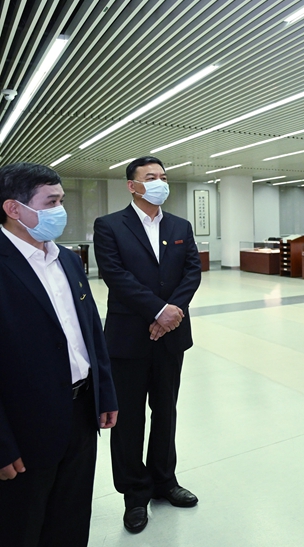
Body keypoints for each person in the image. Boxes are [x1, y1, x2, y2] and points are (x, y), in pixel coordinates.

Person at [0, 163, 118, 547]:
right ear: (13, 209)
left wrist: (104, 392)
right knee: (22, 524)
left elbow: (90, 332)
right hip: (23, 426)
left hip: (81, 412)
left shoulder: (67, 259)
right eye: (51, 202)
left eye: (61, 201)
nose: (60, 211)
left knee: (71, 517)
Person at [94, 156, 202, 534]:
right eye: (151, 177)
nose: (160, 182)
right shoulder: (110, 226)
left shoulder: (179, 226)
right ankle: (134, 494)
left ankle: (164, 481)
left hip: (172, 336)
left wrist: (172, 312)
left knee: (166, 410)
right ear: (132, 185)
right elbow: (115, 275)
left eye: (163, 177)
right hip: (128, 338)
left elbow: (192, 271)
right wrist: (158, 310)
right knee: (129, 419)